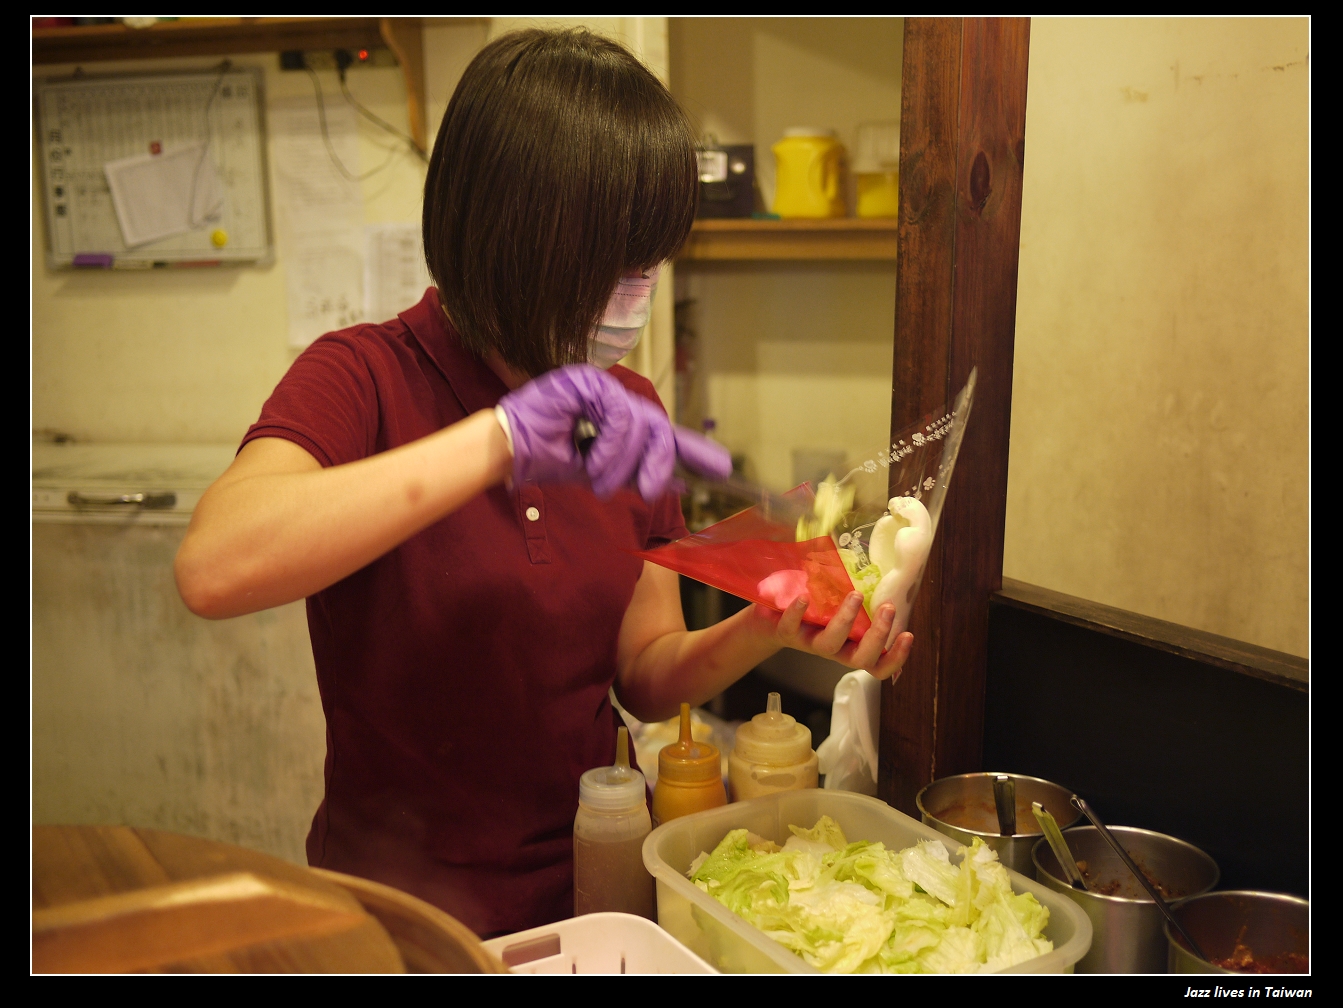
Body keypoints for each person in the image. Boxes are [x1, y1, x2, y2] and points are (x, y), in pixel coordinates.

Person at [175, 28, 913, 938]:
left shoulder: (627, 410)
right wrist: (502, 437)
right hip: (401, 914)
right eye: (612, 265)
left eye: (647, 264)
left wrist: (767, 621)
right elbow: (214, 567)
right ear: (511, 240)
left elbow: (643, 675)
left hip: (596, 878)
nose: (636, 296)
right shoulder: (362, 377)